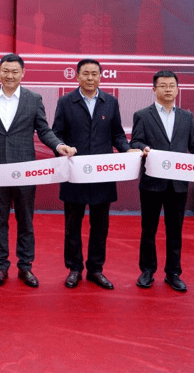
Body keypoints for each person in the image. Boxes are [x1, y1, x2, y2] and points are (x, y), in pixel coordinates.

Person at [0, 53, 75, 288]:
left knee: (25, 221)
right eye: (5, 71)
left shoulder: (33, 99)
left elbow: (44, 130)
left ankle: (25, 266)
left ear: (23, 73)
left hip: (25, 169)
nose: (10, 75)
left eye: (15, 71)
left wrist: (58, 146)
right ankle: (1, 266)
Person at [130, 70, 194, 292]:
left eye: (171, 86)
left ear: (177, 89)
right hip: (152, 182)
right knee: (148, 229)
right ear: (154, 89)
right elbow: (135, 141)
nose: (168, 90)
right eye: (163, 86)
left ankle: (173, 273)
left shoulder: (186, 116)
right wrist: (143, 148)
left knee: (175, 230)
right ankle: (147, 271)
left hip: (178, 183)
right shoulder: (142, 115)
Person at [52, 58, 137, 290]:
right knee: (73, 225)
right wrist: (62, 147)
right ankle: (74, 269)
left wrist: (128, 150)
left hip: (102, 174)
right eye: (86, 74)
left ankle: (96, 269)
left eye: (94, 74)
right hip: (74, 174)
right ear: (77, 76)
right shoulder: (66, 102)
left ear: (101, 76)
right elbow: (57, 134)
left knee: (100, 226)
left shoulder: (110, 102)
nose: (90, 78)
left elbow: (117, 135)